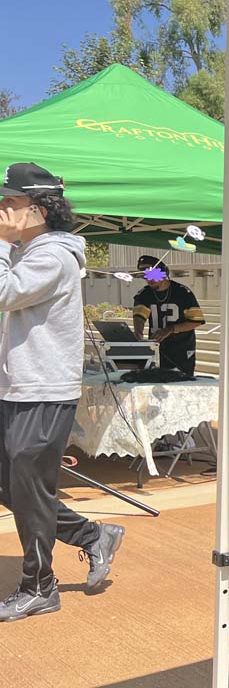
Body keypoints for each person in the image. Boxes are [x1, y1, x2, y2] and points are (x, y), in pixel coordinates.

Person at [0, 162, 124, 621]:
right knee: (16, 487)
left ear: (37, 209)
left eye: (11, 202)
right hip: (17, 387)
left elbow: (4, 293)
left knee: (28, 487)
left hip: (43, 388)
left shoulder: (52, 255)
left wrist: (1, 243)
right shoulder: (28, 250)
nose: (4, 209)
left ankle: (39, 586)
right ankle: (93, 536)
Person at [131, 256, 206, 377]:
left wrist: (170, 329)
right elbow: (139, 316)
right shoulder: (144, 294)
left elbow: (196, 321)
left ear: (164, 273)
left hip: (182, 350)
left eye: (153, 275)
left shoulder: (182, 293)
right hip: (157, 350)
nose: (149, 279)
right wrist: (138, 333)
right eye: (145, 276)